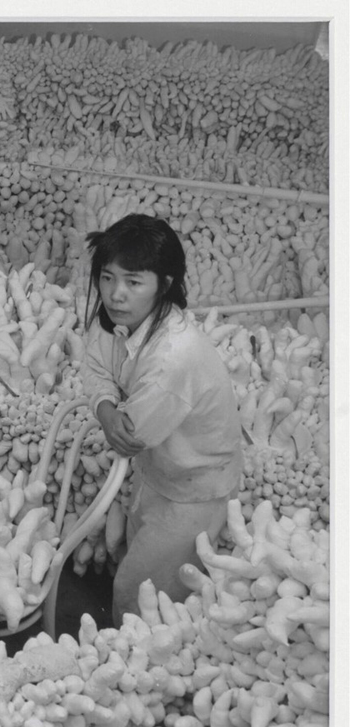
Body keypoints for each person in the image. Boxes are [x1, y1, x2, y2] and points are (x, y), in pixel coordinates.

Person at [81, 214, 242, 623]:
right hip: (156, 472)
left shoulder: (174, 357)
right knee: (140, 568)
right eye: (107, 277)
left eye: (133, 282)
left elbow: (130, 436)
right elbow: (96, 367)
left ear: (164, 285)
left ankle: (132, 670)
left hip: (194, 491)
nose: (116, 294)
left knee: (141, 595)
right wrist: (105, 408)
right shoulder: (118, 320)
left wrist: (114, 417)